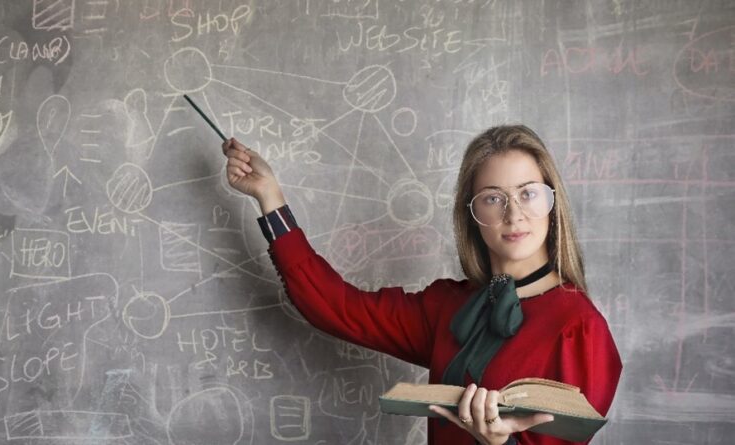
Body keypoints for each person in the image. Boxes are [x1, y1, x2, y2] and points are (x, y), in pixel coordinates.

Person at [220, 125, 622, 445]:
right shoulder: (448, 306)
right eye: (493, 198)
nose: (514, 214)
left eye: (529, 194)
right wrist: (270, 197)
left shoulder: (579, 328)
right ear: (471, 214)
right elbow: (334, 306)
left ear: (553, 205)